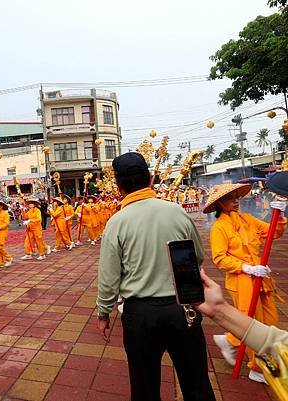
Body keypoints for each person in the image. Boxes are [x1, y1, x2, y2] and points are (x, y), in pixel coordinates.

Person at [97, 152, 215, 401]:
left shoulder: (117, 222)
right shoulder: (177, 212)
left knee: (144, 386)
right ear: (150, 178)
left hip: (140, 314)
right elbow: (198, 257)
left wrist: (104, 312)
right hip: (184, 308)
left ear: (118, 186)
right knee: (197, 384)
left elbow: (109, 276)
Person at [204, 183, 286, 383]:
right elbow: (220, 258)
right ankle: (257, 367)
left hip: (262, 278)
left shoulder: (247, 220)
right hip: (242, 280)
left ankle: (231, 340)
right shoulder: (219, 228)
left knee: (269, 321)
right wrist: (246, 268)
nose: (236, 201)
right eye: (231, 198)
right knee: (252, 323)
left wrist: (279, 215)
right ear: (220, 204)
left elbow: (273, 232)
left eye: (236, 197)